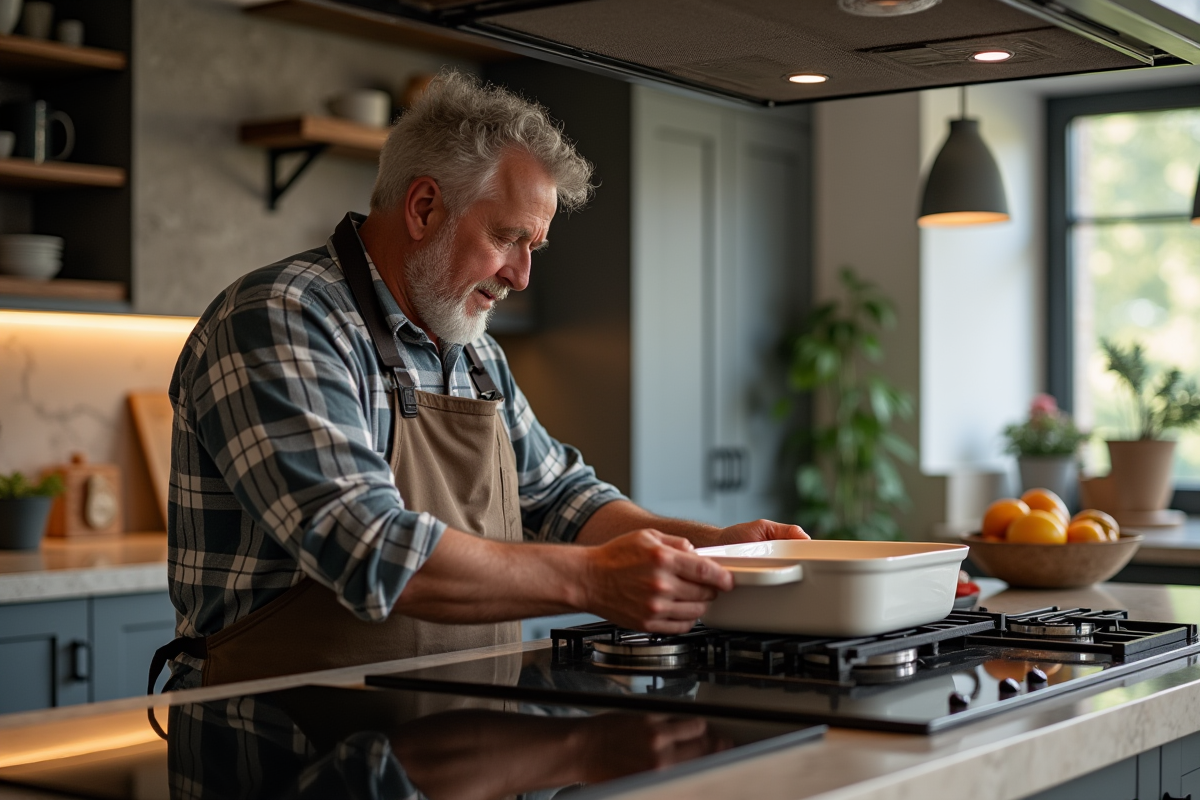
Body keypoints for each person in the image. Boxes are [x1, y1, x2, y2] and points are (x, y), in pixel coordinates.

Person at [156, 71, 807, 691]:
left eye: (534, 247)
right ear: (424, 206)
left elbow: (562, 499)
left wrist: (716, 546)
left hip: (457, 739)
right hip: (275, 740)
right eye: (508, 237)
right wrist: (590, 582)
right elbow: (369, 549)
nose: (522, 275)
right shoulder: (283, 319)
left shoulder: (472, 352)